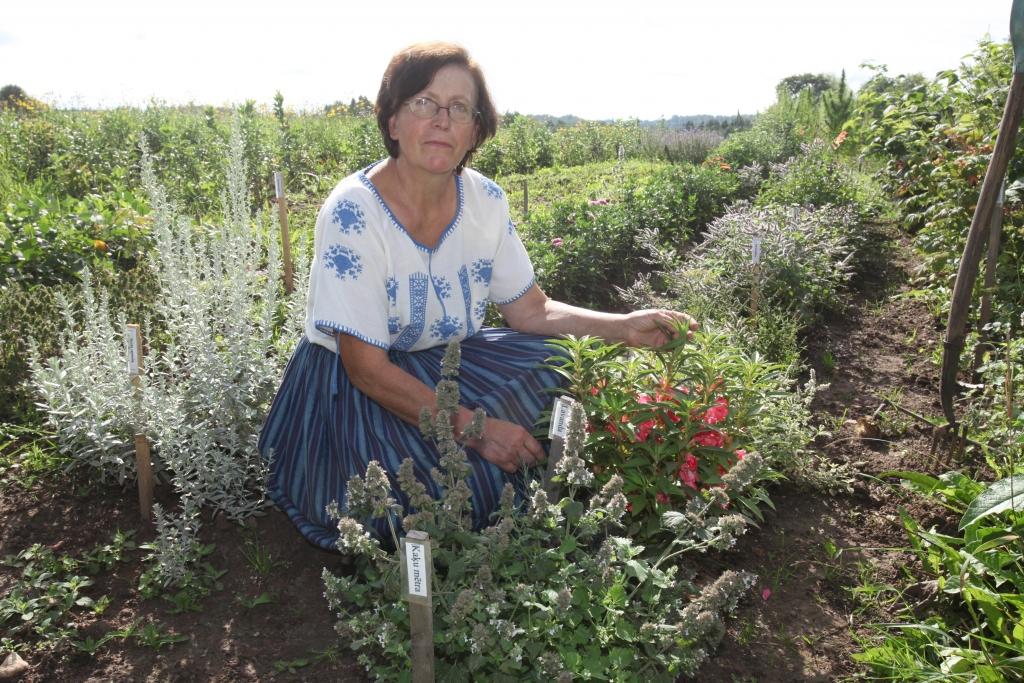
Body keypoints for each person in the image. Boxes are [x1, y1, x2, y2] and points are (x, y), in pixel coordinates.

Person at [258, 41, 697, 550]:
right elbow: (367, 370)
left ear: (474, 131)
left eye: (459, 108)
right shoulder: (354, 211)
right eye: (423, 102)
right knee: (419, 500)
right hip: (358, 386)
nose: (441, 121)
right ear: (393, 121)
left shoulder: (486, 200)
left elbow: (531, 310)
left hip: (448, 360)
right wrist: (478, 429)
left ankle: (532, 482)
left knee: (564, 370)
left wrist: (622, 327)